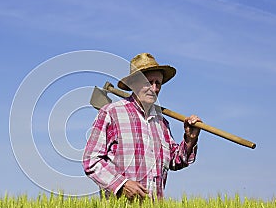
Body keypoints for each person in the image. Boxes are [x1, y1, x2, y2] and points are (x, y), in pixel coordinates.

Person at [82, 52, 202, 200]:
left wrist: (190, 140)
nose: (154, 88)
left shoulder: (162, 123)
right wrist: (122, 184)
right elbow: (91, 160)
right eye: (148, 82)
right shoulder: (111, 113)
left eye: (158, 83)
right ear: (133, 84)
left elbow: (175, 161)